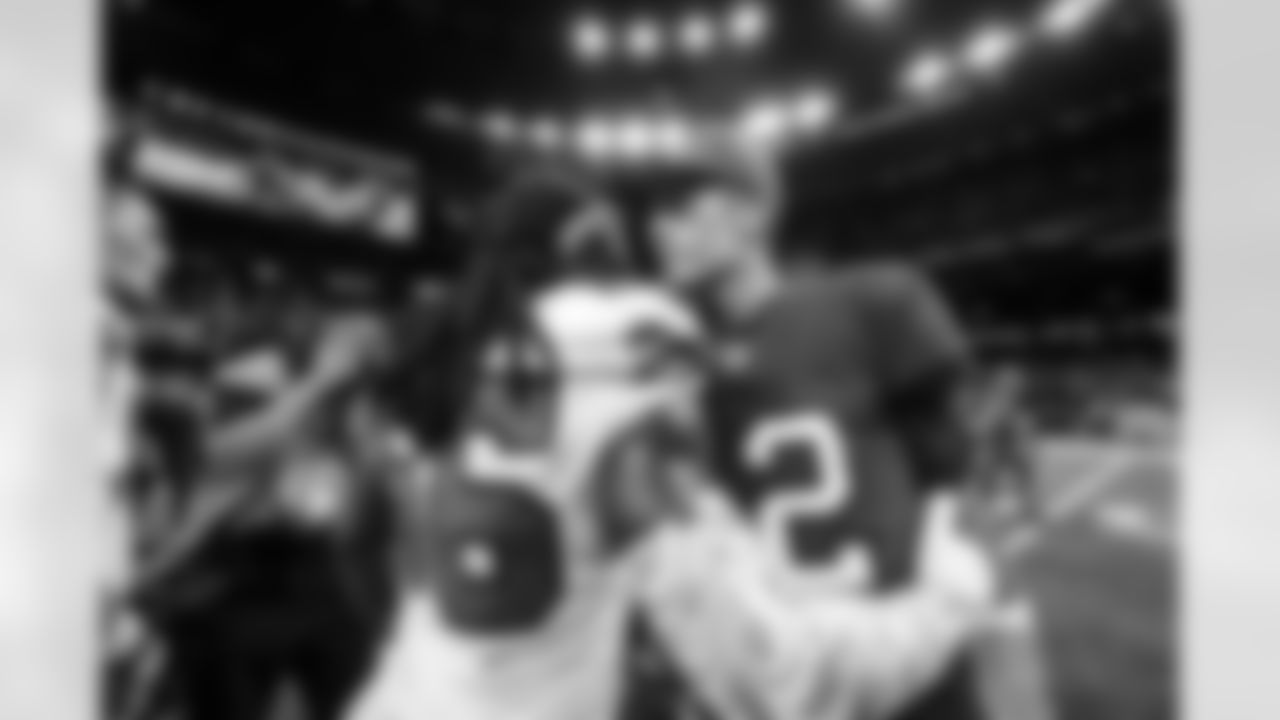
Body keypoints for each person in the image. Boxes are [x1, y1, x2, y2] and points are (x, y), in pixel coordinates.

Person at [647, 133, 991, 720]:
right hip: (789, 678)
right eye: (655, 212)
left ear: (753, 213)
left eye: (681, 204)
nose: (659, 226)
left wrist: (938, 603)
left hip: (911, 671)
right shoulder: (684, 367)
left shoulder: (873, 300)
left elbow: (948, 466)